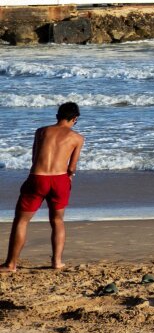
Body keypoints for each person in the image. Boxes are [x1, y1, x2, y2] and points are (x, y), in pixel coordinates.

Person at [3, 102, 85, 272]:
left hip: (38, 178)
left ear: (57, 116)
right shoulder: (77, 138)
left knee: (22, 220)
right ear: (75, 119)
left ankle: (11, 264)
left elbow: (35, 158)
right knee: (57, 221)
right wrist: (70, 177)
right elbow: (72, 167)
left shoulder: (41, 131)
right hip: (60, 180)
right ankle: (57, 262)